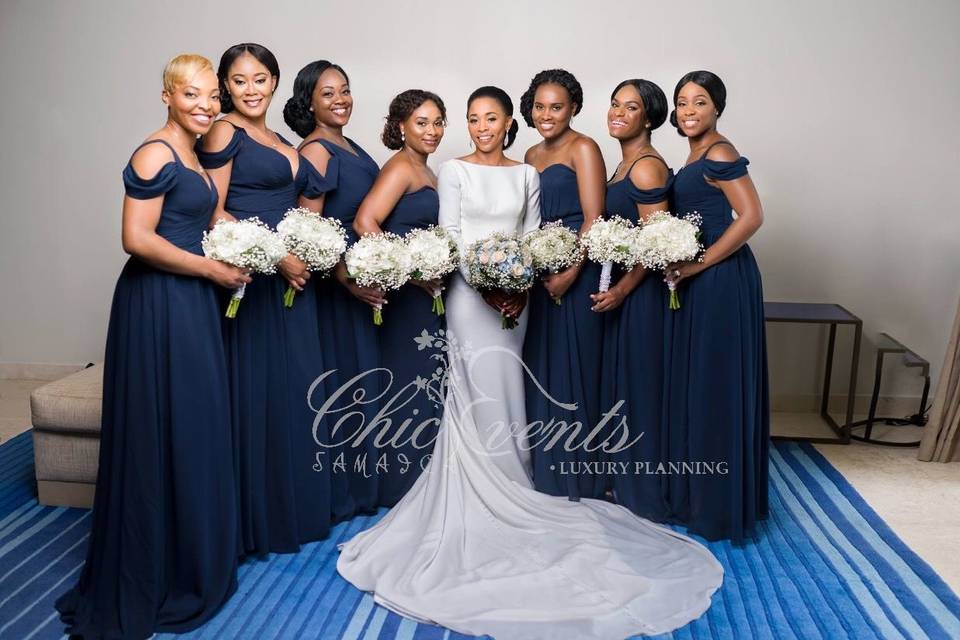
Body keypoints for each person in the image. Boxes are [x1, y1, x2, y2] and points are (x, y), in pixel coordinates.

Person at [334, 86, 723, 640]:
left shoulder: (526, 175)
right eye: (472, 119)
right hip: (470, 298)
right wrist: (484, 284)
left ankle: (515, 482)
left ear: (507, 123)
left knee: (510, 385)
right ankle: (487, 490)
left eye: (491, 118)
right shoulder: (453, 172)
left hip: (520, 295)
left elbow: (534, 237)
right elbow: (450, 237)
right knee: (474, 384)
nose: (481, 127)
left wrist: (519, 285)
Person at [55, 54, 247, 639]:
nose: (206, 105)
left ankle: (190, 557)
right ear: (166, 95)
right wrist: (211, 271)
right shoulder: (155, 152)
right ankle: (155, 565)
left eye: (212, 95)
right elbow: (135, 239)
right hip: (159, 303)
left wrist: (257, 245)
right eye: (192, 94)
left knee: (193, 423)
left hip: (191, 302)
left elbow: (206, 218)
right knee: (161, 427)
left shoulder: (193, 151)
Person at [199, 43, 333, 553]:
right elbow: (211, 210)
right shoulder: (224, 130)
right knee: (256, 394)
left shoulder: (277, 138)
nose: (251, 90)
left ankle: (289, 511)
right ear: (225, 87)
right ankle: (254, 520)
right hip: (253, 280)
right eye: (239, 81)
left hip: (293, 281)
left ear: (275, 82)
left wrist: (308, 249)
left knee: (292, 392)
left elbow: (303, 206)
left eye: (260, 79)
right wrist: (278, 256)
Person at [664, 70, 769, 542]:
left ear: (717, 109)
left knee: (715, 385)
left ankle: (719, 507)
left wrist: (697, 264)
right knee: (703, 384)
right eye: (682, 102)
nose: (689, 111)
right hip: (703, 277)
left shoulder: (720, 151)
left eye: (700, 102)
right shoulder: (695, 153)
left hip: (721, 278)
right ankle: (700, 494)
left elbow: (751, 216)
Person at [286, 60, 384, 516]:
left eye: (344, 89)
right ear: (309, 102)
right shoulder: (317, 150)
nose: (340, 98)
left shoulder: (348, 143)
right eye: (328, 93)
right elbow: (309, 232)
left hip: (359, 278)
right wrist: (347, 281)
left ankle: (365, 485)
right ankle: (341, 493)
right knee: (342, 383)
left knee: (361, 380)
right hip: (335, 288)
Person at [352, 89, 447, 505]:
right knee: (410, 386)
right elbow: (365, 220)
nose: (432, 130)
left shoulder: (427, 170)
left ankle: (421, 483)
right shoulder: (401, 167)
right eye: (422, 122)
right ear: (401, 126)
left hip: (426, 297)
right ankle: (403, 489)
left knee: (427, 385)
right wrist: (408, 270)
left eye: (438, 122)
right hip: (407, 298)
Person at [520, 69, 607, 501]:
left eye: (556, 107)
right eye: (539, 107)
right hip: (540, 272)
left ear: (573, 108)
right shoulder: (530, 153)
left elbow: (593, 219)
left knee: (577, 366)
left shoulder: (584, 148)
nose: (547, 115)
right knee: (542, 368)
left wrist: (571, 271)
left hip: (577, 268)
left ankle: (581, 474)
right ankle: (547, 472)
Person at [590, 78, 674, 522]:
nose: (617, 113)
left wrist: (622, 289)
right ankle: (621, 478)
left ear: (650, 117)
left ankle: (643, 489)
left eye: (631, 107)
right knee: (622, 384)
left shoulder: (645, 167)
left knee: (640, 386)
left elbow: (657, 243)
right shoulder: (623, 165)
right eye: (614, 104)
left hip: (641, 296)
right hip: (621, 289)